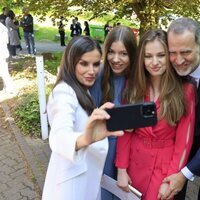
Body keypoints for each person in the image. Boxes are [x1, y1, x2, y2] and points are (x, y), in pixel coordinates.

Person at [115, 29, 196, 200]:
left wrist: (171, 178)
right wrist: (121, 169)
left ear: (169, 56)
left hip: (164, 166)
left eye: (160, 55)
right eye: (148, 56)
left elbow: (184, 142)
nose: (154, 62)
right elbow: (125, 133)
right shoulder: (134, 86)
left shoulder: (185, 90)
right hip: (135, 162)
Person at [42, 36, 123, 200]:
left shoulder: (82, 89)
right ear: (71, 62)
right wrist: (85, 138)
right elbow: (59, 135)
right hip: (70, 187)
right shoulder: (63, 93)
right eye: (84, 64)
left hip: (86, 181)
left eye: (95, 64)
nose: (92, 71)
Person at [90, 25, 137, 200]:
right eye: (111, 52)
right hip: (104, 153)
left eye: (123, 53)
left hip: (131, 154)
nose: (116, 59)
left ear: (132, 53)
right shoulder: (98, 76)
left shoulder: (139, 79)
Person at [160, 17, 200, 200]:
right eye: (172, 53)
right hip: (175, 159)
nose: (178, 60)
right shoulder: (167, 71)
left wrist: (186, 173)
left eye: (185, 52)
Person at [0, 21, 14, 93]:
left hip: (1, 53)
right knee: (4, 72)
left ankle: (9, 88)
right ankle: (8, 87)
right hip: (3, 52)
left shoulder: (2, 28)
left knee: (4, 72)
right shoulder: (3, 28)